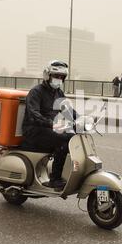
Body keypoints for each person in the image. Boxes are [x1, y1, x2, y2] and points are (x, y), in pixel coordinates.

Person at [21, 60, 76, 190]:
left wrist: (82, 119)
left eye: (62, 77)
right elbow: (34, 114)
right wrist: (52, 124)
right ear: (48, 75)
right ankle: (55, 179)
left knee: (75, 136)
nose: (59, 79)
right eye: (56, 76)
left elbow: (68, 110)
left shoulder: (58, 93)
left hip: (49, 128)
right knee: (63, 140)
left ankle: (68, 173)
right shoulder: (36, 92)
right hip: (34, 130)